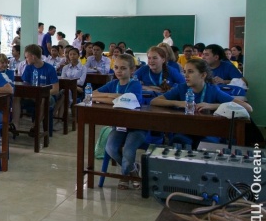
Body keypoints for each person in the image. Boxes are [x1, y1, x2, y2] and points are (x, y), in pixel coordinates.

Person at [151, 58, 252, 148]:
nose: (186, 75)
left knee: (208, 143)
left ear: (203, 75)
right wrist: (178, 103)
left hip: (209, 131)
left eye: (190, 72)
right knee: (179, 141)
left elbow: (247, 107)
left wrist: (212, 106)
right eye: (185, 72)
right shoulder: (181, 88)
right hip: (186, 130)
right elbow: (154, 101)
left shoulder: (213, 90)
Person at [93, 54, 143, 190]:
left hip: (136, 127)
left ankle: (124, 176)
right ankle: (133, 170)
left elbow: (127, 101)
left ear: (132, 70)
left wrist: (111, 98)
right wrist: (113, 96)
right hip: (119, 126)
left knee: (128, 151)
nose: (119, 71)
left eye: (123, 68)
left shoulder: (135, 85)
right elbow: (93, 94)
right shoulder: (113, 84)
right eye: (116, 67)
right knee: (110, 148)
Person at [10, 44, 59, 137]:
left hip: (47, 95)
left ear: (33, 57)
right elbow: (25, 85)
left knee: (43, 99)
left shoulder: (50, 68)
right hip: (32, 95)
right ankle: (15, 124)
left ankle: (35, 126)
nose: (26, 60)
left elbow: (56, 89)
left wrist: (42, 93)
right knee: (17, 96)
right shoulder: (29, 68)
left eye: (27, 57)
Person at [55, 47, 87, 118]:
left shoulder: (83, 68)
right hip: (71, 87)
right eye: (70, 54)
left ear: (78, 55)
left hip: (78, 89)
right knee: (65, 91)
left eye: (74, 54)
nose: (72, 56)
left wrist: (73, 85)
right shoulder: (65, 67)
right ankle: (60, 117)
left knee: (65, 92)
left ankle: (56, 115)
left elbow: (81, 82)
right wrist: (74, 86)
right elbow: (63, 80)